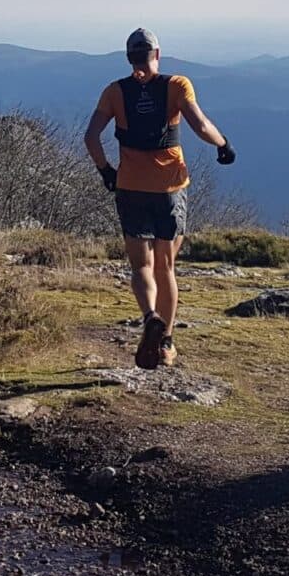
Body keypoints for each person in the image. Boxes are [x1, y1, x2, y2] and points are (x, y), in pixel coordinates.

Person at [84, 28, 235, 370]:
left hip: (131, 186)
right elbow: (199, 125)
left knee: (141, 265)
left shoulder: (114, 92)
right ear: (157, 53)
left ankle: (149, 315)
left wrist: (107, 171)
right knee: (166, 265)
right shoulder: (176, 85)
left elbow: (91, 137)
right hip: (169, 187)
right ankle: (165, 343)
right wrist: (223, 144)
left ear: (128, 57)